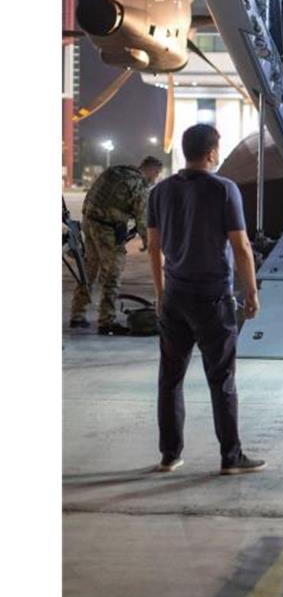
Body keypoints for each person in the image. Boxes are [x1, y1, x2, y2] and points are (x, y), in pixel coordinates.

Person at [146, 124, 266, 474]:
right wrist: (252, 293)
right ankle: (231, 457)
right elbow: (241, 247)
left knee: (170, 378)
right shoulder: (224, 189)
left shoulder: (160, 191)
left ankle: (170, 455)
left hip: (174, 298)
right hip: (212, 298)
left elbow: (154, 249)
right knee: (221, 379)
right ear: (212, 152)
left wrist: (159, 293)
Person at [69, 156, 164, 334]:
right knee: (112, 273)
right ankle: (107, 321)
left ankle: (77, 315)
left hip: (89, 222)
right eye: (156, 174)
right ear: (151, 170)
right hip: (107, 230)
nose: (155, 178)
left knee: (89, 270)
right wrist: (148, 242)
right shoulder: (138, 184)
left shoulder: (115, 171)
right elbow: (142, 219)